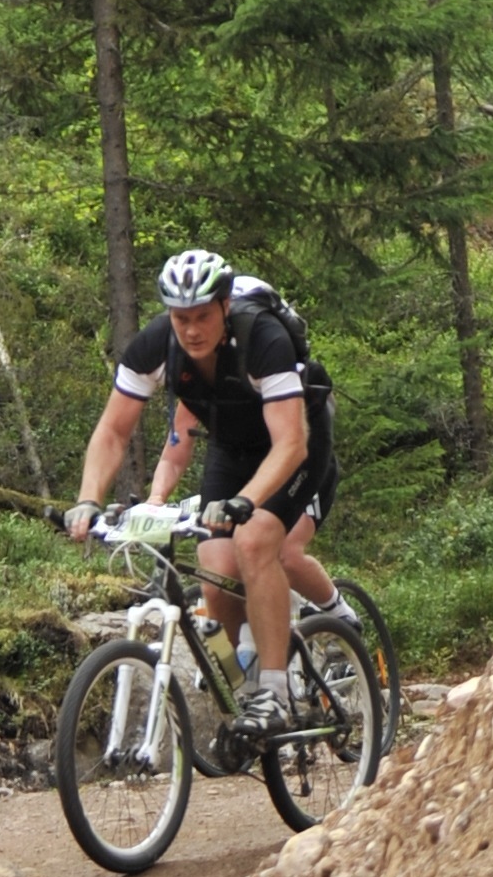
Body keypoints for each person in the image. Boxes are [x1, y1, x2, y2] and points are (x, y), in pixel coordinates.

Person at [64, 247, 339, 712]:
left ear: (225, 306)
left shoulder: (262, 338)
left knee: (255, 541)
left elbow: (291, 443)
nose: (191, 330)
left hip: (297, 443)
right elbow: (113, 431)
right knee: (214, 574)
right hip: (231, 449)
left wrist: (245, 502)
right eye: (181, 318)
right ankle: (244, 692)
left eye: (202, 317)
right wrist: (89, 499)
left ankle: (274, 692)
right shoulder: (156, 346)